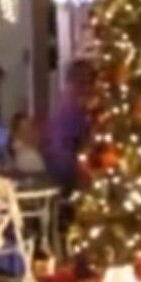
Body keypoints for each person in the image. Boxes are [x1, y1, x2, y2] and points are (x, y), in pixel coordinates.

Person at [44, 58, 94, 190]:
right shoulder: (73, 102)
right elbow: (80, 134)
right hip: (65, 159)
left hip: (57, 157)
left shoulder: (65, 99)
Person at [6, 111, 47, 177]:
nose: (31, 131)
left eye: (31, 126)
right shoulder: (27, 155)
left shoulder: (30, 149)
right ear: (16, 132)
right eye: (26, 128)